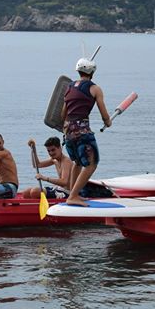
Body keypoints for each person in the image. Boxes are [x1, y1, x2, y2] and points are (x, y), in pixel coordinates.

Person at [61, 57, 111, 206]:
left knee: (77, 162)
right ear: (92, 72)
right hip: (81, 130)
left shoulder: (69, 87)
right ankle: (73, 197)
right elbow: (103, 113)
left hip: (67, 130)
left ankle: (72, 193)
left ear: (78, 70)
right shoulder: (95, 88)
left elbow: (62, 114)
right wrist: (107, 121)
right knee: (91, 163)